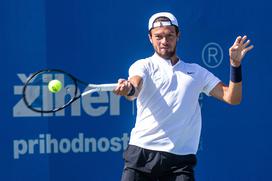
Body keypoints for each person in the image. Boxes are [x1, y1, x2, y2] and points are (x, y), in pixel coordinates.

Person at [113, 12, 254, 181]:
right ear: (150, 38)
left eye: (169, 36)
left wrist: (235, 65)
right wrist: (129, 88)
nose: (164, 41)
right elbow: (134, 89)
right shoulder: (142, 65)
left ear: (178, 36)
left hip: (180, 162)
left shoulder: (196, 72)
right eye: (158, 36)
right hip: (142, 155)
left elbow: (232, 97)